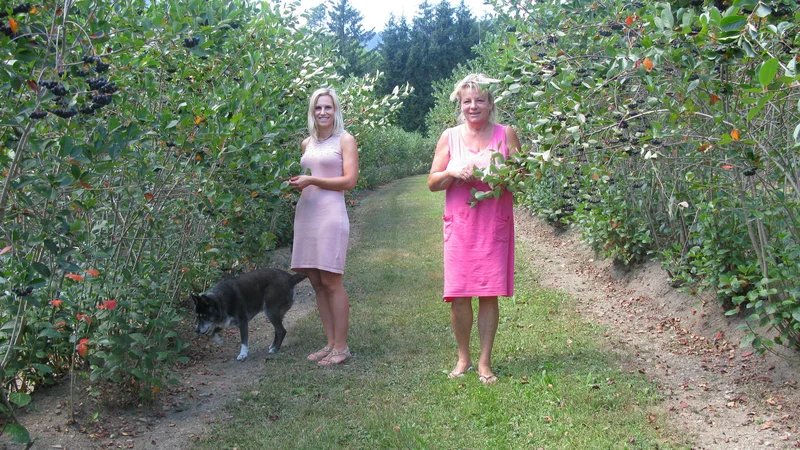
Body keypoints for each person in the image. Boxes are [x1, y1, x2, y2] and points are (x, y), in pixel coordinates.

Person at [427, 73, 521, 385]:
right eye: (467, 101)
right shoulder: (449, 137)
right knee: (459, 295)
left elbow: (522, 178)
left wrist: (497, 173)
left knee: (489, 294)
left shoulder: (506, 134)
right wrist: (452, 171)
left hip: (493, 224)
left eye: (480, 100)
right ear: (460, 104)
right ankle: (463, 357)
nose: (473, 106)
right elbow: (432, 182)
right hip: (460, 226)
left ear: (491, 104)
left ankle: (484, 362)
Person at [289, 87, 359, 366]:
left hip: (331, 214)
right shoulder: (307, 143)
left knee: (332, 281)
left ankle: (342, 348)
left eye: (328, 107)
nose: (323, 112)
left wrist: (312, 181)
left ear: (336, 110)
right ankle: (330, 344)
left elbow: (349, 181)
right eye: (318, 108)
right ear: (312, 111)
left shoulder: (345, 140)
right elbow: (311, 177)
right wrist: (300, 184)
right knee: (317, 283)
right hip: (307, 213)